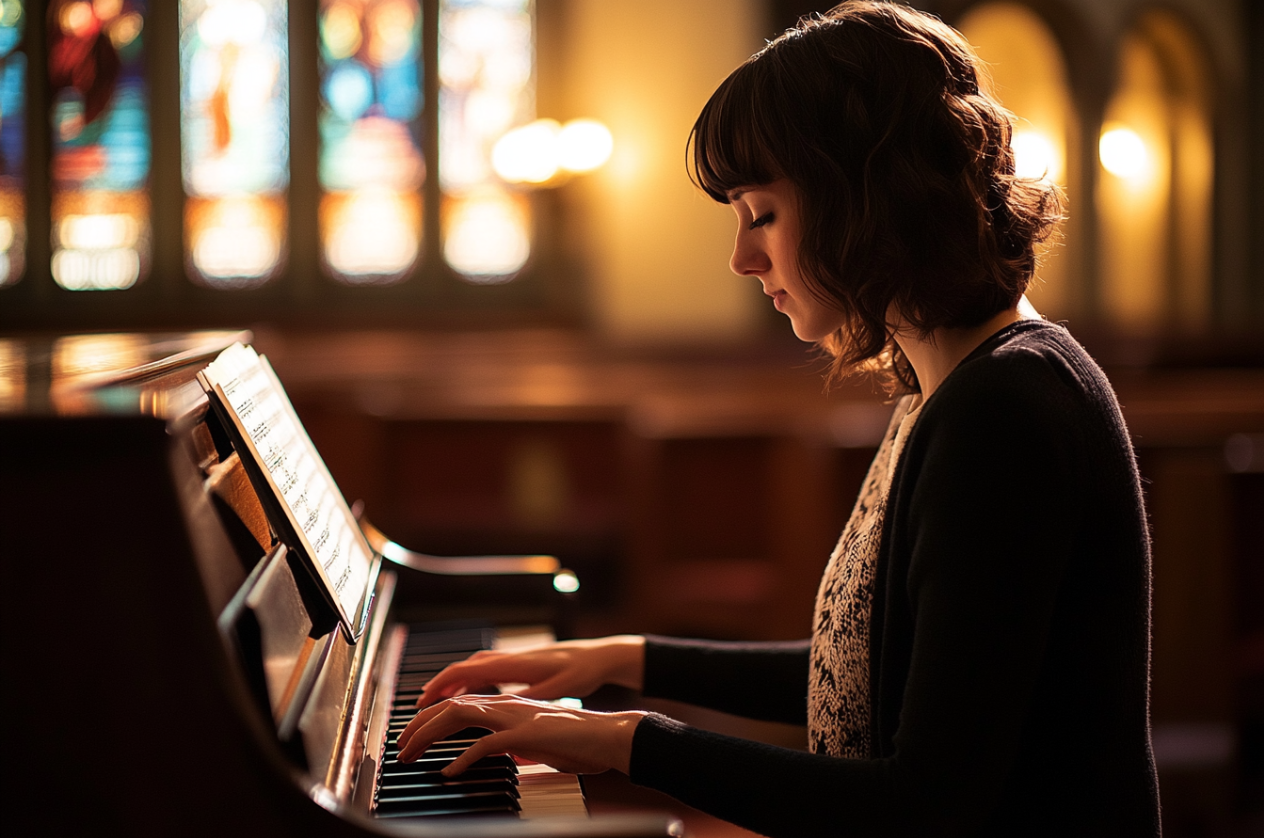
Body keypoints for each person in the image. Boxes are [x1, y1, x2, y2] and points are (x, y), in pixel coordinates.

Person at [397, 3, 1162, 835]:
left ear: (865, 197)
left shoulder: (1007, 409)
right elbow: (868, 676)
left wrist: (626, 740)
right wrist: (619, 660)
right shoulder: (946, 388)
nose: (741, 258)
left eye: (760, 213)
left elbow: (924, 804)